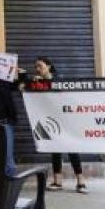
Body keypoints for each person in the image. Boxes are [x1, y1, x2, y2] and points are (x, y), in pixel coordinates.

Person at [33, 57, 87, 193]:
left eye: (40, 66)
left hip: (66, 119)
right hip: (51, 119)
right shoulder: (38, 82)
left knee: (72, 148)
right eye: (36, 67)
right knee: (55, 149)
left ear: (49, 66)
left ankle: (81, 181)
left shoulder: (59, 80)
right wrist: (32, 86)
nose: (38, 69)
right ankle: (58, 181)